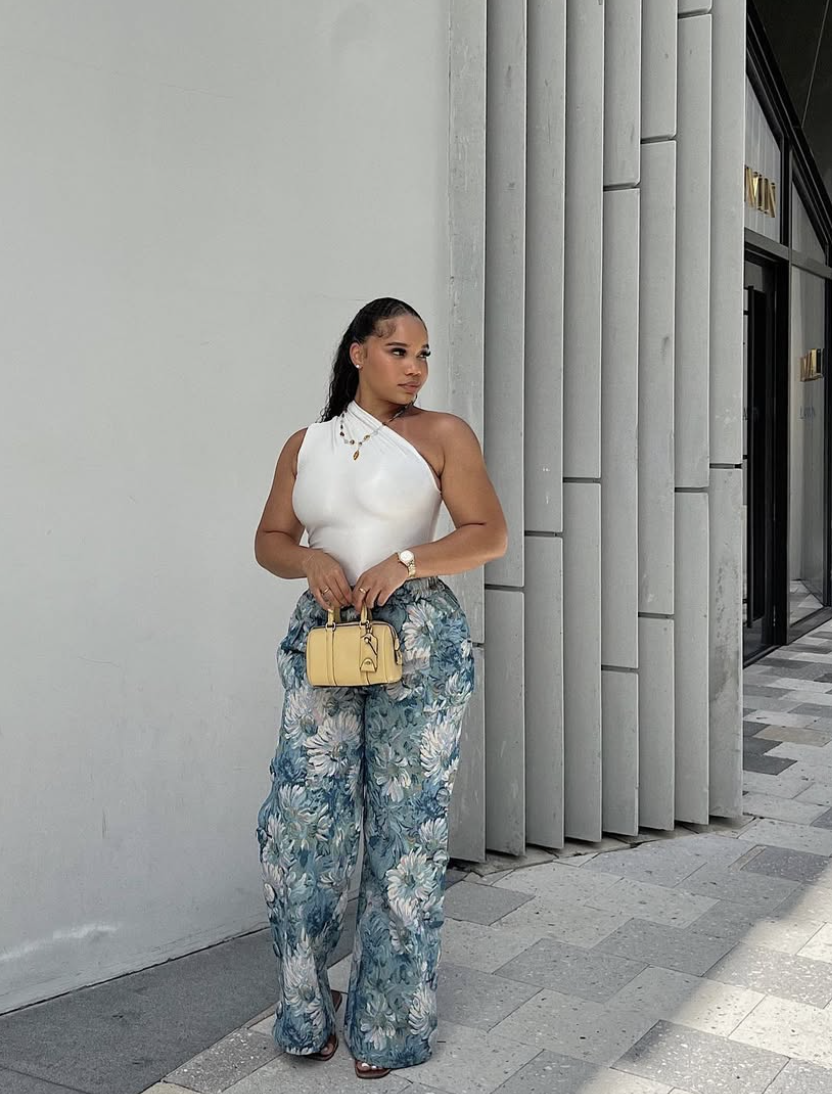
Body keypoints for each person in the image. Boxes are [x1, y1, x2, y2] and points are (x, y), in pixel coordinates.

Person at [253, 296, 507, 1078]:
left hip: (419, 640)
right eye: (399, 351)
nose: (416, 368)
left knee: (407, 837)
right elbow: (270, 540)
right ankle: (304, 1006)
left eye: (424, 355)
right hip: (326, 638)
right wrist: (311, 562)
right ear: (358, 352)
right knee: (299, 834)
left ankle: (390, 1024)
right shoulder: (308, 443)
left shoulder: (442, 435)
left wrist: (404, 563)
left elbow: (487, 532)